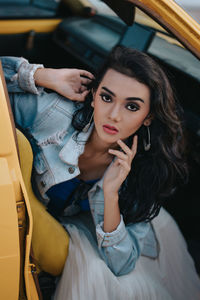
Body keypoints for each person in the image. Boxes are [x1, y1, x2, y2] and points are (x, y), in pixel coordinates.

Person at [2, 47, 200, 300]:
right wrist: (41, 75)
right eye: (107, 98)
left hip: (73, 231)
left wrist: (110, 194)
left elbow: (121, 263)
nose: (114, 116)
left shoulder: (142, 174)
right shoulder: (53, 114)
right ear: (94, 96)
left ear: (148, 117)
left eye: (131, 106)